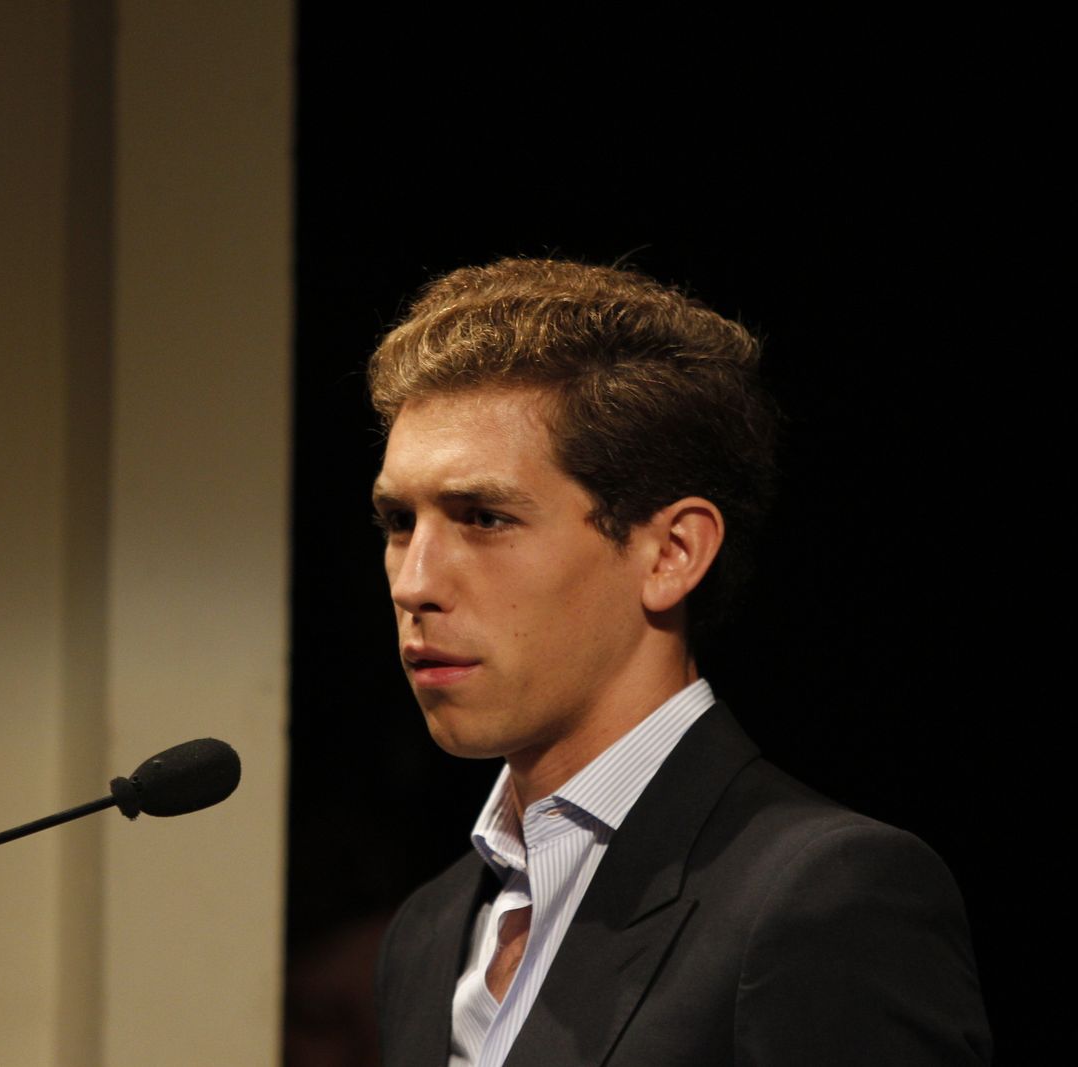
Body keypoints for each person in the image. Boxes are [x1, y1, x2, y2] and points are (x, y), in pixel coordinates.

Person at [367, 258, 991, 1066]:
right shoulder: (426, 932)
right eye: (396, 521)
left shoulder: (821, 897)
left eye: (483, 517)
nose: (415, 580)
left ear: (672, 552)